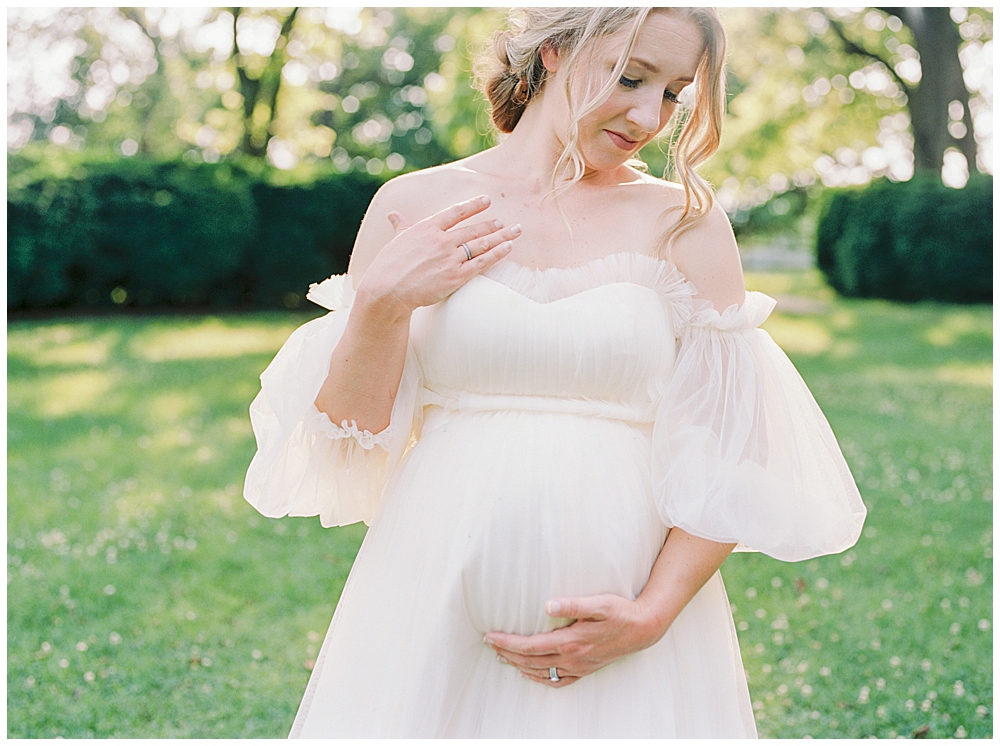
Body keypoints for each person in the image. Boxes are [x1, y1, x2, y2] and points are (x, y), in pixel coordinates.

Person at [243, 7, 866, 738]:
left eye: (672, 93)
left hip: (630, 624)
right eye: (631, 77)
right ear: (555, 54)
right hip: (429, 593)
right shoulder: (414, 206)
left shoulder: (685, 223)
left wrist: (650, 615)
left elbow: (731, 448)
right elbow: (352, 439)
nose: (648, 114)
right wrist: (382, 302)